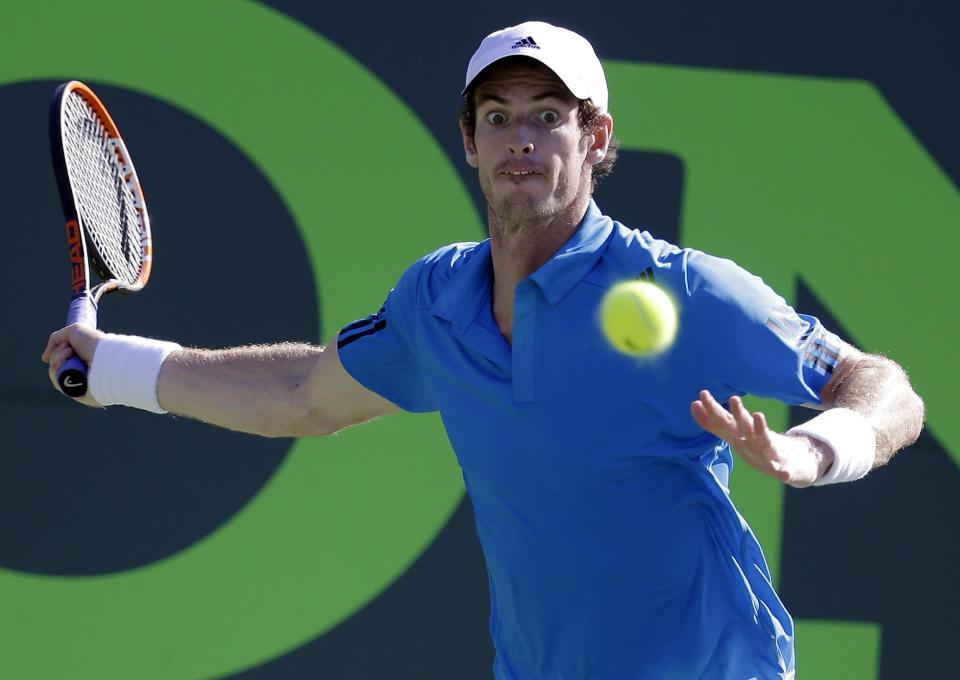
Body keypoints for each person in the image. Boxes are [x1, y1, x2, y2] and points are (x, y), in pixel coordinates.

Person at [43, 21, 924, 680]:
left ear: (597, 138)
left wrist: (817, 450)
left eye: (549, 115)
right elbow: (304, 393)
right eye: (498, 117)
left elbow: (883, 387)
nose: (522, 139)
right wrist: (114, 368)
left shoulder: (683, 291)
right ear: (470, 142)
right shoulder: (437, 300)